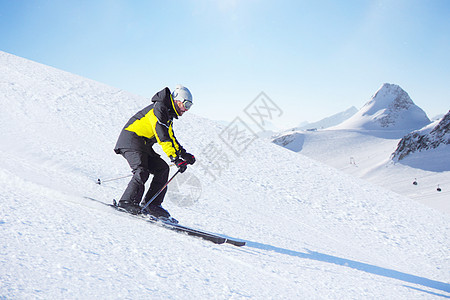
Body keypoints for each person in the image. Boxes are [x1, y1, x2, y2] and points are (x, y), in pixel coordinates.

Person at [114, 85, 196, 218]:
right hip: (131, 139)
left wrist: (183, 154)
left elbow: (170, 137)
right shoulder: (159, 109)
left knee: (162, 168)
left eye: (190, 106)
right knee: (141, 170)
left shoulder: (167, 113)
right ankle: (126, 202)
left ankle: (152, 205)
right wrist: (175, 159)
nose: (186, 109)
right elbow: (162, 137)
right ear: (177, 100)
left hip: (143, 144)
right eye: (186, 104)